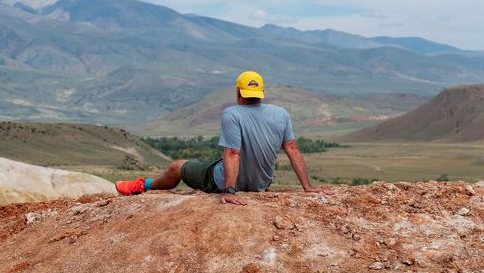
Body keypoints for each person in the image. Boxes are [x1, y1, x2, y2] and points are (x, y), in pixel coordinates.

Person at [116, 71, 329, 204]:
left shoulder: (232, 113)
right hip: (261, 183)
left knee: (177, 166)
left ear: (238, 92)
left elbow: (233, 153)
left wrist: (229, 191)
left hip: (225, 182)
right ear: (261, 93)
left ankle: (143, 185)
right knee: (212, 163)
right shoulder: (281, 113)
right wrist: (307, 187)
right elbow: (292, 149)